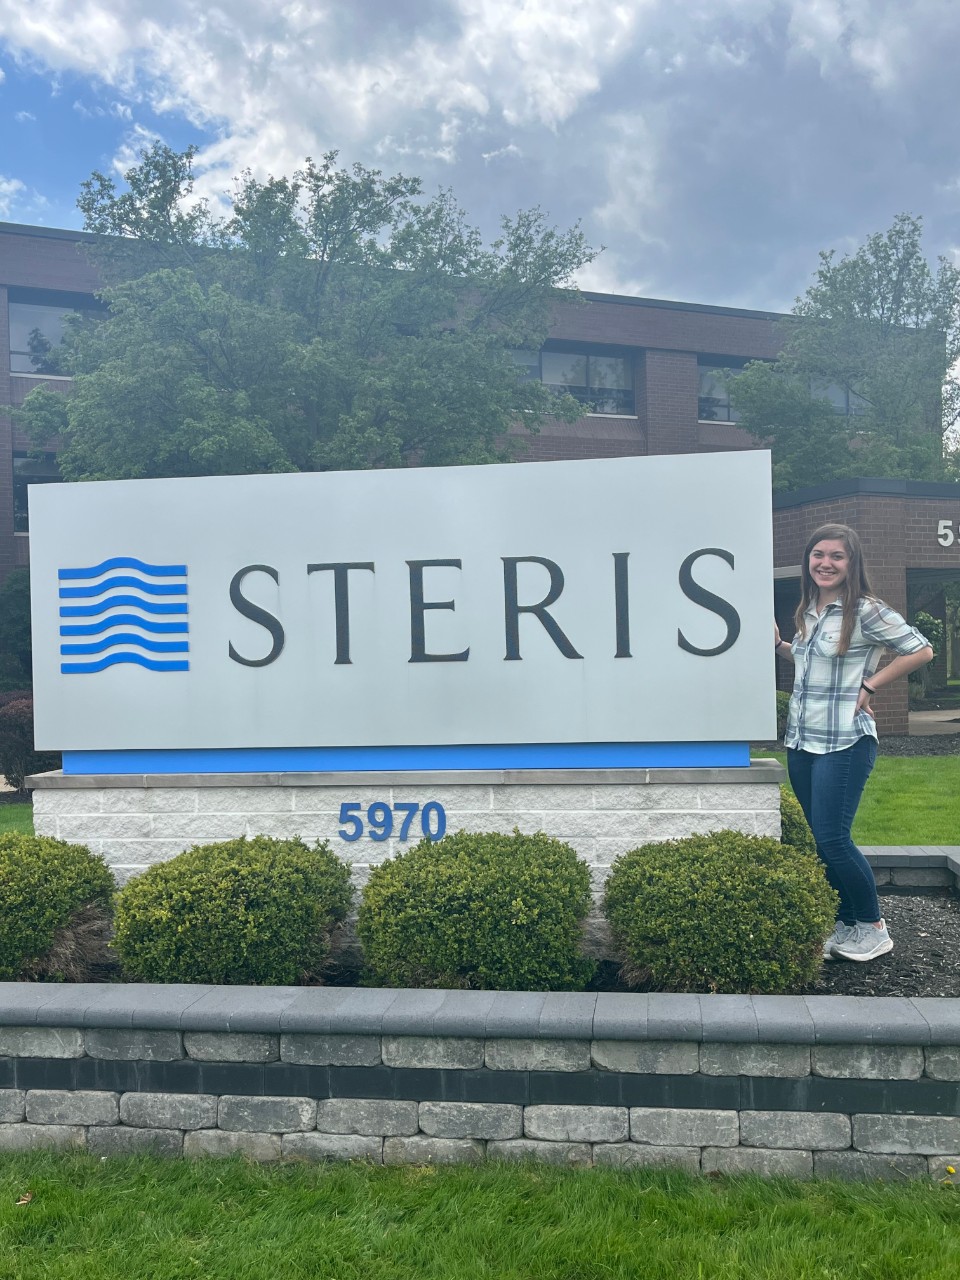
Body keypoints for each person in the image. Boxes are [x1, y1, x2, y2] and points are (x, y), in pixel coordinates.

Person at [774, 523, 933, 963]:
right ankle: (847, 924)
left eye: (836, 556)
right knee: (820, 839)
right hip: (803, 740)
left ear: (851, 563)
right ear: (809, 560)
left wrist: (872, 683)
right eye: (818, 554)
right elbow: (811, 663)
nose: (825, 563)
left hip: (845, 740)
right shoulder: (808, 608)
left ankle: (873, 926)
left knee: (833, 839)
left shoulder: (864, 610)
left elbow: (920, 650)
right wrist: (782, 646)